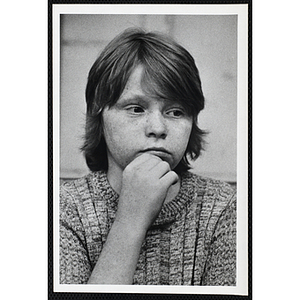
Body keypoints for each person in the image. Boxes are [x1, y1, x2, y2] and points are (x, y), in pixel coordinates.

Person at [59, 28, 236, 286]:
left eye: (176, 112)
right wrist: (130, 220)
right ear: (99, 113)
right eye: (136, 108)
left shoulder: (224, 208)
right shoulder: (64, 209)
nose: (158, 127)